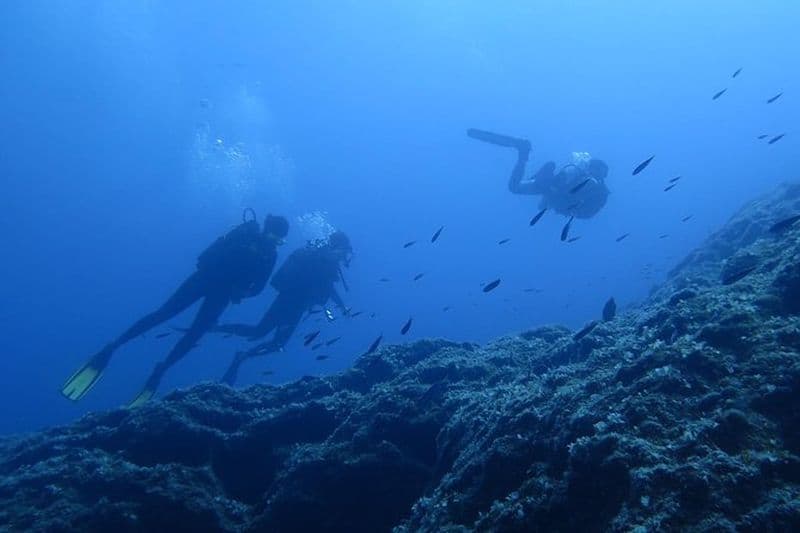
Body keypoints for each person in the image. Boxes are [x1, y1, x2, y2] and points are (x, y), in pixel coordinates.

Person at [61, 211, 289, 407]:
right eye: (275, 236)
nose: (275, 242)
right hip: (204, 279)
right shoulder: (245, 233)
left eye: (279, 240)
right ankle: (113, 347)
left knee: (194, 334)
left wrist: (242, 293)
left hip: (219, 290)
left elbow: (259, 287)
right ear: (267, 229)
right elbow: (211, 256)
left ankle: (161, 369)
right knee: (164, 314)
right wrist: (241, 290)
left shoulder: (269, 254)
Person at [216, 230, 353, 385]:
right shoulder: (319, 259)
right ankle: (223, 335)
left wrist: (341, 307)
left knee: (269, 338)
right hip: (289, 301)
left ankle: (237, 351)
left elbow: (328, 288)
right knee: (263, 334)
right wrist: (341, 307)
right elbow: (327, 287)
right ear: (337, 247)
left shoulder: (328, 263)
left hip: (295, 305)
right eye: (343, 251)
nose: (343, 257)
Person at [467, 128, 609, 219]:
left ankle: (523, 152)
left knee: (515, 188)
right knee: (516, 188)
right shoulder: (598, 190)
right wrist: (571, 210)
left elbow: (557, 197)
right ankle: (524, 152)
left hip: (550, 186)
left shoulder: (594, 188)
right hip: (551, 187)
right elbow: (586, 211)